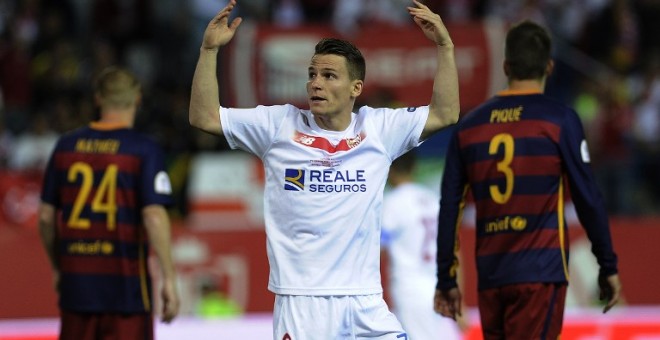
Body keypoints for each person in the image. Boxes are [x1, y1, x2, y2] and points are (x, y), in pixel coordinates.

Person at [188, 0, 459, 338]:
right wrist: (209, 50)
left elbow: (445, 114)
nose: (315, 83)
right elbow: (204, 117)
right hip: (302, 304)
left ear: (355, 89)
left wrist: (445, 47)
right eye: (312, 75)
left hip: (366, 302)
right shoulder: (277, 125)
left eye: (329, 76)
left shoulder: (378, 128)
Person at [434, 20, 622, 339]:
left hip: (491, 275)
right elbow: (587, 197)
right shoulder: (559, 120)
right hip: (540, 272)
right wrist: (607, 264)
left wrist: (447, 279)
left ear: (506, 65)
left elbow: (450, 206)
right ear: (549, 66)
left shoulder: (469, 127)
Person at [38, 66, 180, 340]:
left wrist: (58, 267)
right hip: (126, 292)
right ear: (137, 99)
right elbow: (153, 216)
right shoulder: (143, 149)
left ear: (97, 99)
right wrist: (169, 278)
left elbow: (45, 217)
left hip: (77, 288)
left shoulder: (66, 147)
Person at [381, 151, 464, 340]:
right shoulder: (433, 200)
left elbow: (374, 251)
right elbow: (455, 251)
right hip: (441, 289)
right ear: (414, 167)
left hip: (410, 292)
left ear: (389, 169)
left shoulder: (392, 203)